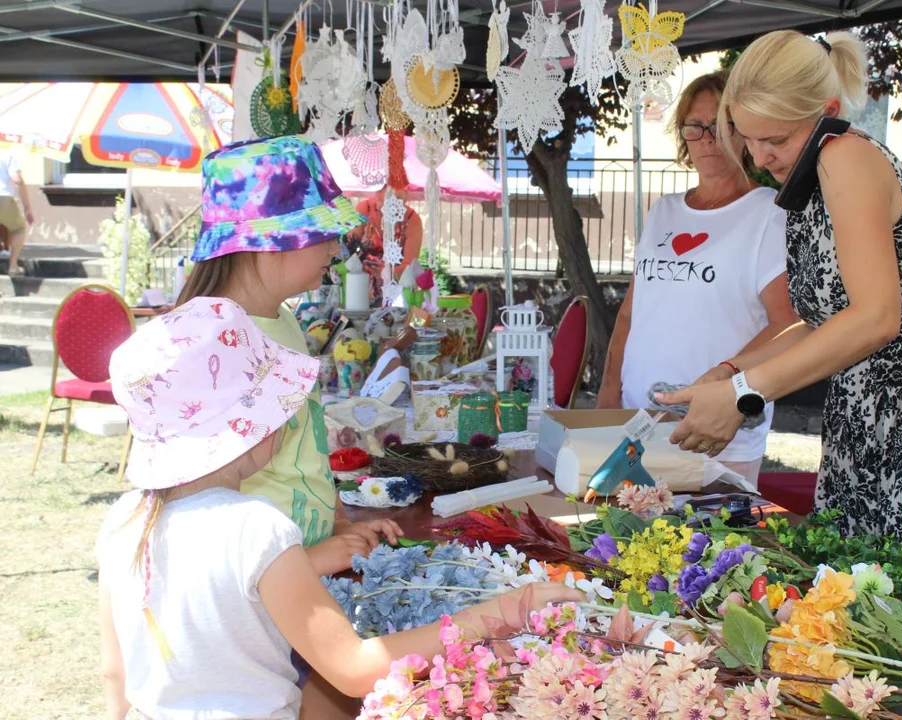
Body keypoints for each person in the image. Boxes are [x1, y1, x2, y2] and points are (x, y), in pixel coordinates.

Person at [657, 30, 902, 613]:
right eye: (747, 140)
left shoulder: (845, 157)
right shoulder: (809, 182)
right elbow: (816, 320)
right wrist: (730, 370)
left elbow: (877, 317)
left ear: (826, 112)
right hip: (869, 427)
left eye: (774, 139)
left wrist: (744, 393)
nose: (759, 159)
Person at [97, 296, 581, 719]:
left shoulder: (123, 520)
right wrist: (502, 610)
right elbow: (354, 669)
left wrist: (305, 563)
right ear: (253, 426)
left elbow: (116, 671)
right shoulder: (254, 527)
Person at [176, 135, 409, 718]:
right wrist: (309, 558)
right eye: (323, 232)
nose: (337, 246)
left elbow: (300, 443)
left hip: (302, 559)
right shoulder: (214, 338)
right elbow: (197, 513)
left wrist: (334, 517)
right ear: (270, 244)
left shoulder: (278, 320)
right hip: (263, 584)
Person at [597, 71, 799, 490]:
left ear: (743, 133)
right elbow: (631, 314)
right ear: (683, 134)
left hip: (716, 433)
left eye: (721, 125)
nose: (707, 138)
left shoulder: (768, 215)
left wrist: (727, 381)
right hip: (640, 423)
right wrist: (608, 398)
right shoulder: (663, 212)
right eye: (695, 125)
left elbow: (788, 326)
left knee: (704, 547)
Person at [344, 187, 423, 305]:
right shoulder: (364, 210)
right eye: (386, 200)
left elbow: (409, 265)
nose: (392, 207)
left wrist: (386, 274)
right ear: (377, 194)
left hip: (395, 287)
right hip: (360, 284)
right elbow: (347, 248)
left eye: (398, 201)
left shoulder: (412, 219)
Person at [0, 150, 33, 276]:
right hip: (3, 198)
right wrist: (27, 208)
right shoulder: (8, 154)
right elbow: (17, 180)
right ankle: (13, 266)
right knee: (18, 229)